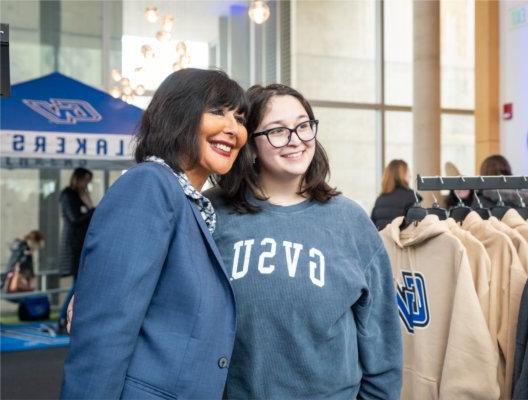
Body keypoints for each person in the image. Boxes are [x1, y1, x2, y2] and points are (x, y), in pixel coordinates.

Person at [206, 84, 402, 399]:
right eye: (277, 131)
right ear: (251, 144)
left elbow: (382, 347)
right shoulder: (213, 214)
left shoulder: (350, 222)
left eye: (303, 126)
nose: (295, 139)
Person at [61, 68, 248, 399]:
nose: (233, 129)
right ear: (179, 114)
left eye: (240, 117)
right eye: (218, 112)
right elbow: (106, 330)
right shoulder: (148, 185)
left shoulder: (193, 204)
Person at [57, 167, 94, 331]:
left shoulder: (81, 195)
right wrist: (93, 211)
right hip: (73, 245)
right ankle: (63, 317)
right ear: (78, 179)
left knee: (79, 283)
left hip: (81, 243)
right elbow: (74, 219)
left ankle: (65, 317)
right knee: (78, 283)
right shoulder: (68, 195)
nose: (86, 184)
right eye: (85, 180)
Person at [371, 159, 422, 230]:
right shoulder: (411, 196)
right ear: (402, 174)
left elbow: (372, 225)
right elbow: (416, 226)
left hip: (382, 239)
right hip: (399, 240)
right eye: (408, 172)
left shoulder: (380, 199)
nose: (410, 175)